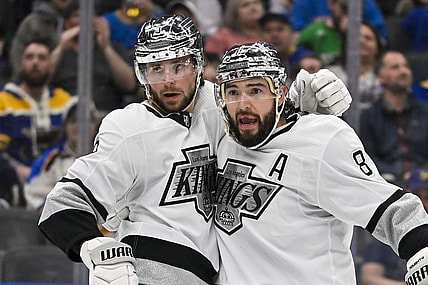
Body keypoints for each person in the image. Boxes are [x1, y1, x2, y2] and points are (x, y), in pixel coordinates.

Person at [38, 14, 352, 284]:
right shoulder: (127, 127)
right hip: (149, 266)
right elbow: (62, 204)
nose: (168, 81)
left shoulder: (224, 107)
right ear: (142, 74)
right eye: (156, 69)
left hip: (218, 271)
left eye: (178, 67)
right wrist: (90, 245)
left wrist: (302, 108)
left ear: (198, 64)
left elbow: (270, 129)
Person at [212, 40, 428, 284]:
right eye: (233, 92)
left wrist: (421, 247)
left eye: (255, 90)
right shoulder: (222, 139)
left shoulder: (321, 140)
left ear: (280, 93)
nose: (243, 104)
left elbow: (386, 204)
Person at [0, 39, 75, 183]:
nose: (35, 63)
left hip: (59, 178)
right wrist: (20, 172)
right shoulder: (3, 101)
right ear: (21, 64)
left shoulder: (65, 101)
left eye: (42, 58)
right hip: (17, 180)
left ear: (51, 66)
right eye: (30, 57)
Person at [50, 0, 138, 114]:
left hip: (105, 114)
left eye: (90, 16)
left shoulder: (112, 49)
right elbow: (41, 79)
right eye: (77, 16)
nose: (85, 20)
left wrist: (106, 48)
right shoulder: (57, 51)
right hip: (65, 114)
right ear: (67, 23)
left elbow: (130, 85)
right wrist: (61, 46)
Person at [359, 50, 428, 187]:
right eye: (395, 67)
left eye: (406, 66)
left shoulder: (425, 112)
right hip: (386, 185)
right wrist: (398, 175)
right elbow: (367, 158)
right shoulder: (369, 116)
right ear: (380, 77)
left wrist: (418, 175)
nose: (404, 71)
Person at [24, 101, 99, 210]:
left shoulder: (105, 158)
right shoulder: (52, 159)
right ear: (65, 126)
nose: (80, 126)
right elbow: (32, 192)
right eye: (74, 121)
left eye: (87, 121)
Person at [8, 0, 73, 81]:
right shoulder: (35, 23)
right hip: (33, 84)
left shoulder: (72, 18)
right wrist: (61, 44)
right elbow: (20, 66)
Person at [259, 12, 312, 82]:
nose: (274, 35)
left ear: (292, 34)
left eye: (280, 29)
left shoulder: (305, 59)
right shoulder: (257, 63)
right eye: (268, 30)